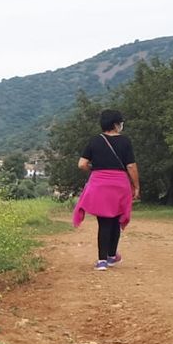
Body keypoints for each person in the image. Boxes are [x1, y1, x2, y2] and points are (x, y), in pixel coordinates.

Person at [72, 109, 139, 270]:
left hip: (99, 183)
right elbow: (130, 166)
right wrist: (136, 186)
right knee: (116, 219)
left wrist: (95, 168)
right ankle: (111, 256)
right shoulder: (125, 141)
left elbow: (81, 164)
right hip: (119, 184)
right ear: (116, 124)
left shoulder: (95, 141)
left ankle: (101, 261)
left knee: (103, 222)